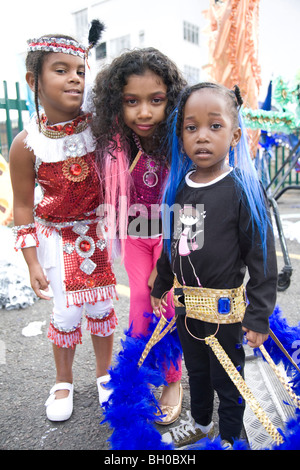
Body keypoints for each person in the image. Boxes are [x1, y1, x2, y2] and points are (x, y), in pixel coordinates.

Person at [151, 82, 278, 447]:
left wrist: (258, 317)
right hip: (188, 310)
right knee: (198, 372)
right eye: (192, 128)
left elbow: (262, 258)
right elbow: (174, 246)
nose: (202, 137)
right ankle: (201, 423)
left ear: (235, 134)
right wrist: (161, 284)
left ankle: (228, 437)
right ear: (181, 136)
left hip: (226, 314)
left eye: (215, 126)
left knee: (228, 376)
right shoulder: (178, 188)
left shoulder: (242, 190)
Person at [9, 24, 118, 422]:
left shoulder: (101, 130)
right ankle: (63, 380)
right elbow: (22, 207)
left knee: (102, 308)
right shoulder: (26, 144)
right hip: (55, 240)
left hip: (96, 234)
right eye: (61, 69)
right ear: (33, 80)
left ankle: (105, 375)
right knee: (65, 314)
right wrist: (32, 261)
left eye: (80, 70)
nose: (74, 77)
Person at [92, 48, 187, 425]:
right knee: (138, 310)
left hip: (173, 240)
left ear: (172, 100)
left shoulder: (181, 143)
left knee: (167, 307)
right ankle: (139, 377)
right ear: (118, 102)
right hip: (135, 239)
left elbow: (191, 204)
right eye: (132, 101)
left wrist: (169, 263)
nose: (144, 112)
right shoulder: (118, 144)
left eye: (156, 100)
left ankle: (172, 380)